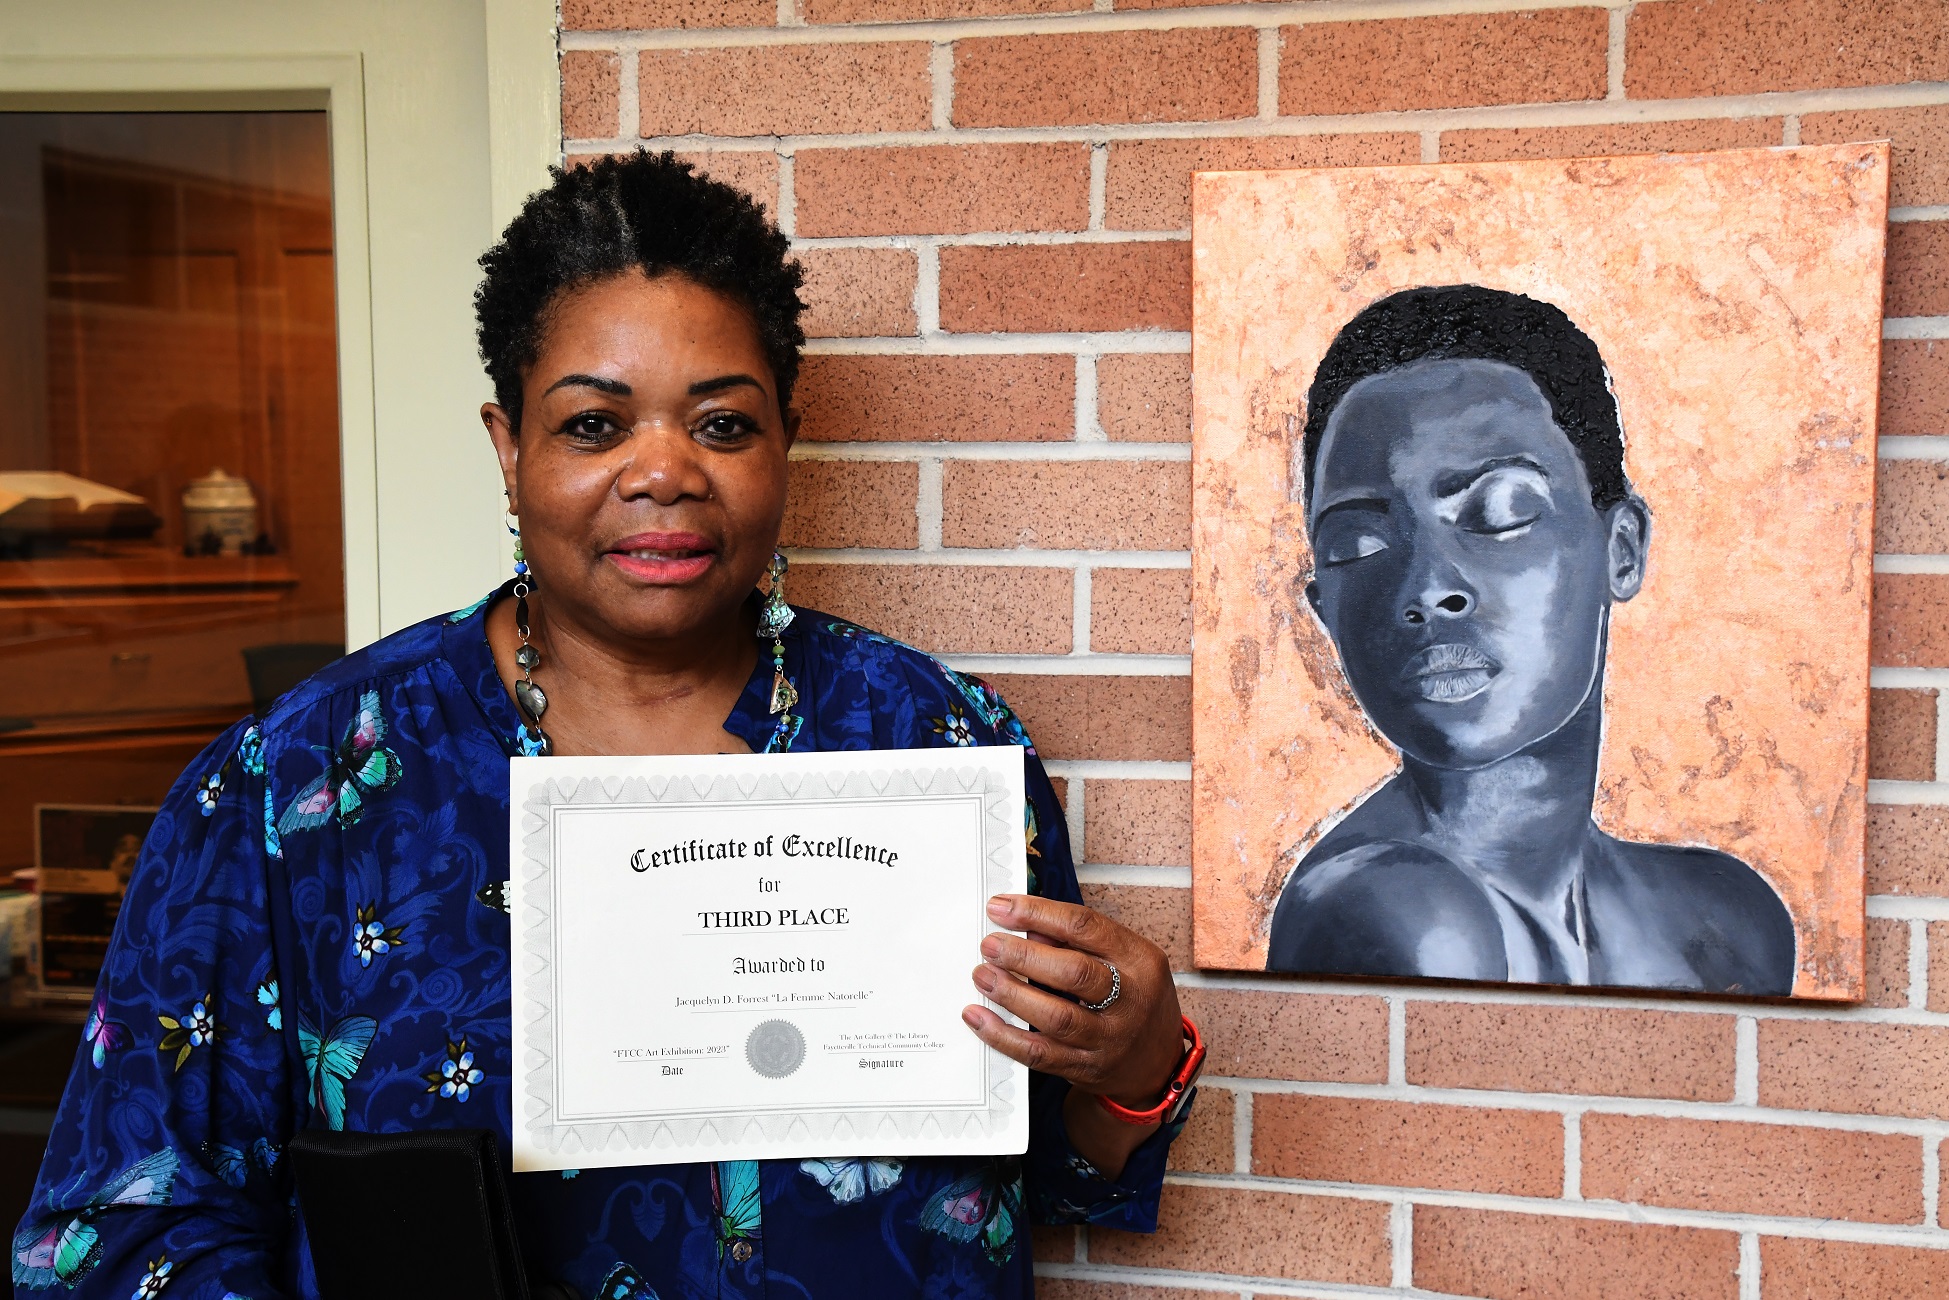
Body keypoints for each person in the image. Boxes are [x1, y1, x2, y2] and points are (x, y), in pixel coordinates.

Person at [15, 151, 1198, 1299]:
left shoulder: (934, 741)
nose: (664, 472)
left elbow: (1049, 1170)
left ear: (785, 439)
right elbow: (120, 1231)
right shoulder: (296, 787)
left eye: (723, 424)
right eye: (594, 425)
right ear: (507, 447)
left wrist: (1132, 1064)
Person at [1265, 285, 1796, 996]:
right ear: (1324, 608)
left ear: (1622, 549)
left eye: (1500, 510)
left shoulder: (1727, 923)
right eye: (1357, 544)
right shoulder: (1392, 912)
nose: (1426, 587)